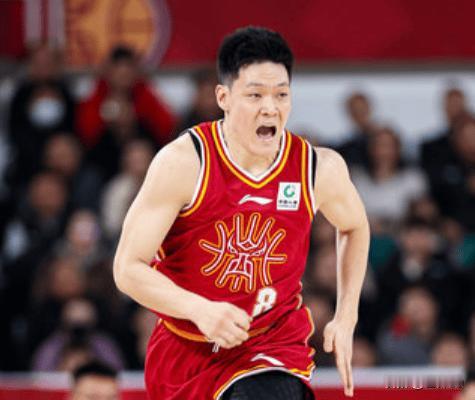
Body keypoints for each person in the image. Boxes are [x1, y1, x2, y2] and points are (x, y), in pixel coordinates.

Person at [113, 26, 369, 400]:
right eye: (255, 95)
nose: (270, 107)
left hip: (271, 345)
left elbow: (355, 226)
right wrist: (200, 309)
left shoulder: (317, 168)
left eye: (281, 94)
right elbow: (127, 268)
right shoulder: (184, 163)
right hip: (186, 347)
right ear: (224, 97)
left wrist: (347, 316)